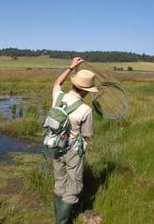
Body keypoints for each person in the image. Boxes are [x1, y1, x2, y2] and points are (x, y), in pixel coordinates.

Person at [52, 57, 98, 224]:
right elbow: (86, 136)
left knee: (59, 184)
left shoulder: (58, 97)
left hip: (56, 146)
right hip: (72, 151)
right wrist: (82, 153)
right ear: (86, 91)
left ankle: (58, 219)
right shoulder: (85, 110)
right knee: (73, 189)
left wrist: (71, 67)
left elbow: (57, 83)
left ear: (74, 84)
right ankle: (61, 222)